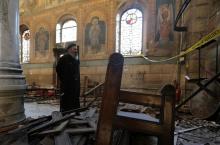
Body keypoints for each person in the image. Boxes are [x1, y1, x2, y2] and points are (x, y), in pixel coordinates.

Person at [56, 43, 80, 112]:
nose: (76, 50)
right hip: (67, 85)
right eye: (74, 49)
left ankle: (75, 113)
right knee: (66, 99)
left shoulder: (76, 59)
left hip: (75, 85)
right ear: (69, 49)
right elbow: (58, 69)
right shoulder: (63, 58)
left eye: (76, 49)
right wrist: (63, 79)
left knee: (75, 99)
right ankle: (66, 114)